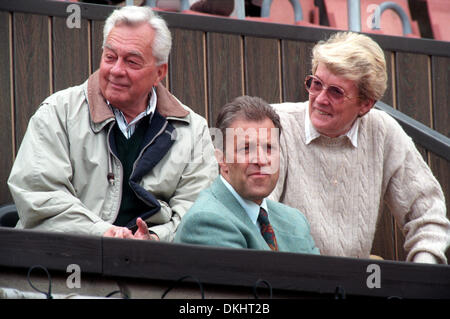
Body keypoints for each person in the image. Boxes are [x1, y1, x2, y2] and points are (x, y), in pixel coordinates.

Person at [7, 6, 218, 242]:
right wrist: (103, 234)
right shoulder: (58, 112)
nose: (117, 70)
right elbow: (39, 196)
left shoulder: (193, 130)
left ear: (160, 72)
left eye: (132, 62)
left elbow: (198, 214)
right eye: (110, 57)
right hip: (63, 261)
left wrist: (156, 239)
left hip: (154, 267)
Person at [270, 32, 450, 263]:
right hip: (286, 280)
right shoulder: (276, 123)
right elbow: (257, 213)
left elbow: (428, 213)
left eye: (335, 91)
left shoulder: (383, 131)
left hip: (355, 284)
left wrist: (423, 269)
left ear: (365, 104)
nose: (320, 99)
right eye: (316, 84)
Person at [174, 96, 319, 254]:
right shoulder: (206, 221)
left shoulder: (295, 221)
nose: (261, 160)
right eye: (246, 149)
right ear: (222, 159)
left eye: (269, 148)